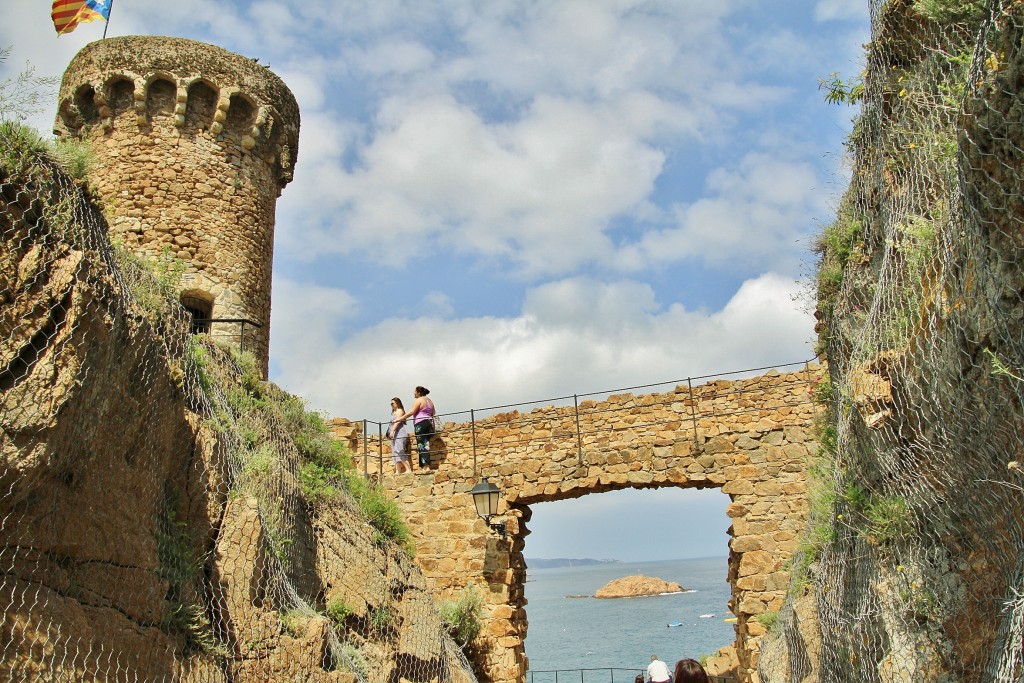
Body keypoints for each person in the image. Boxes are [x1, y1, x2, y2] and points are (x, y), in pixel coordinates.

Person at [398, 386, 435, 468]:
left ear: (418, 392)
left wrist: (400, 419)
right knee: (426, 444)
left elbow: (411, 412)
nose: (414, 393)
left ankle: (426, 467)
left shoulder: (419, 400)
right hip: (429, 423)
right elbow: (433, 413)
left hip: (421, 423)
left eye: (415, 391)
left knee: (421, 445)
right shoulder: (429, 401)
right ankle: (425, 466)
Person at [388, 397, 411, 474]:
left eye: (392, 403)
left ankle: (408, 469)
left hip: (399, 432)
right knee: (395, 451)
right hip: (395, 433)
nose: (391, 405)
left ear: (397, 403)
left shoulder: (399, 411)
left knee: (399, 450)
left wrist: (392, 431)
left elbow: (397, 422)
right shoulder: (394, 412)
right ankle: (398, 471)